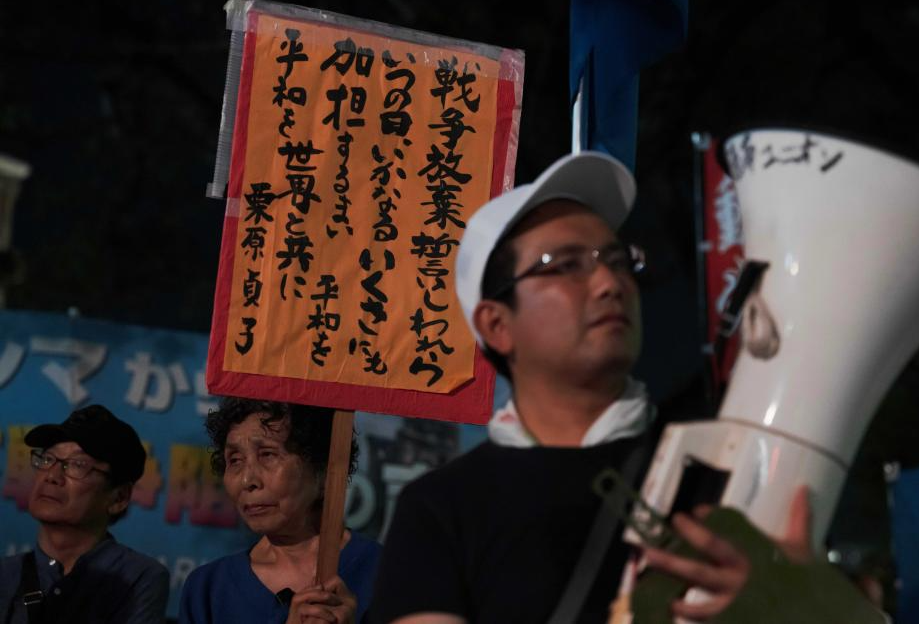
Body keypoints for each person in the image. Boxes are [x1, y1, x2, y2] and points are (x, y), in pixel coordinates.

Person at [369, 152, 811, 624]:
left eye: (618, 260)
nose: (608, 282)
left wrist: (799, 606)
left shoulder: (728, 467)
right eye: (564, 265)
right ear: (497, 325)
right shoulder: (441, 509)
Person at [178, 398, 380, 624]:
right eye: (234, 460)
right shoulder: (208, 589)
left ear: (323, 472)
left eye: (267, 454)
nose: (247, 480)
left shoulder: (385, 573)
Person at [0, 404, 170, 624]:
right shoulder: (7, 574)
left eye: (77, 465)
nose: (51, 476)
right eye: (47, 459)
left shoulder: (138, 578)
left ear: (119, 498)